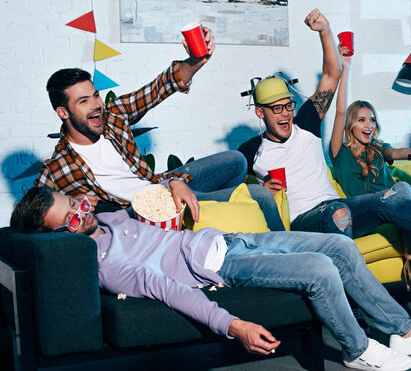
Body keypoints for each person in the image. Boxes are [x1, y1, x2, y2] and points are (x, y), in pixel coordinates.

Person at [11, 187, 411, 371]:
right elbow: (168, 290)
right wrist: (235, 325)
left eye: (74, 203)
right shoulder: (107, 263)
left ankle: (403, 331)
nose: (80, 213)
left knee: (342, 246)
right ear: (56, 238)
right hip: (224, 267)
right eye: (68, 220)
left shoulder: (107, 217)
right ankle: (357, 349)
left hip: (233, 239)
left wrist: (175, 184)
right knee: (321, 269)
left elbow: (145, 198)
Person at [238, 9, 411, 250]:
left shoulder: (305, 124)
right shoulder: (250, 150)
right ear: (260, 112)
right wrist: (257, 191)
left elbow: (332, 74)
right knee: (337, 212)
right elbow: (225, 189)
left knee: (388, 197)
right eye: (276, 109)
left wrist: (325, 31)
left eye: (288, 106)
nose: (286, 114)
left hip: (339, 204)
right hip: (304, 220)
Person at [35, 27, 284, 231]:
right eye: (83, 101)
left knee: (236, 161)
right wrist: (77, 206)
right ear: (63, 112)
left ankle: (215, 220)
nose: (96, 105)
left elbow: (157, 89)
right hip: (149, 210)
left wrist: (196, 61)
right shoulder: (57, 168)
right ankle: (285, 248)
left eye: (95, 96)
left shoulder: (113, 117)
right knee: (259, 197)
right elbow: (28, 215)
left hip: (162, 183)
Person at [329, 44, 411, 314]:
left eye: (371, 120)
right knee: (405, 192)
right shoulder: (339, 152)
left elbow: (395, 151)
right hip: (364, 211)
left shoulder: (379, 148)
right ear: (350, 125)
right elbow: (338, 111)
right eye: (360, 120)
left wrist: (410, 152)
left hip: (393, 207)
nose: (368, 125)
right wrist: (345, 68)